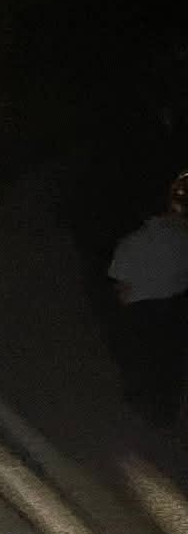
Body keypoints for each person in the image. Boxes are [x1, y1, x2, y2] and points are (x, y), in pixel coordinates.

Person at [106, 171, 188, 424]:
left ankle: (145, 404)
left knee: (143, 358)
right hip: (173, 308)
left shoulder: (132, 243)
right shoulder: (181, 240)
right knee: (167, 361)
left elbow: (120, 284)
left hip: (141, 311)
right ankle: (164, 409)